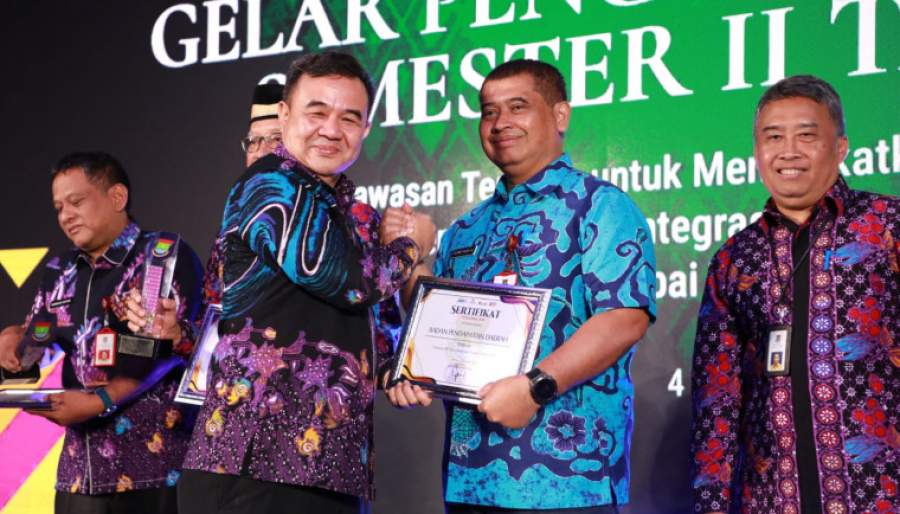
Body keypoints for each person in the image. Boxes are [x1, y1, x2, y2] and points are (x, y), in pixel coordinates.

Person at [384, 59, 657, 513]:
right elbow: (433, 326)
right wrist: (413, 372)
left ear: (560, 115)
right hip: (470, 479)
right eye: (489, 111)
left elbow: (625, 318)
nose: (500, 123)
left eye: (517, 107)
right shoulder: (466, 228)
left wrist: (535, 389)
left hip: (569, 483)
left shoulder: (599, 206)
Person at [177, 51, 435, 514]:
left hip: (330, 463)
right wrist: (411, 246)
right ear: (284, 114)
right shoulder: (269, 184)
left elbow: (359, 326)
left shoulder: (343, 209)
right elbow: (345, 282)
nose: (331, 129)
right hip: (259, 461)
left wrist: (397, 372)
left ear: (366, 130)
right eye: (317, 112)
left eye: (348, 118)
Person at [689, 75, 898, 514]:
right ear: (757, 152)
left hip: (880, 497)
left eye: (806, 136)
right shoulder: (734, 258)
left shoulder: (887, 226)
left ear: (840, 148)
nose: (788, 152)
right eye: (773, 137)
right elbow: (717, 401)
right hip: (770, 500)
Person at [0, 151, 203, 514]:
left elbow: (172, 349)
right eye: (59, 207)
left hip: (154, 469)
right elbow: (37, 342)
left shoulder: (160, 254)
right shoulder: (59, 270)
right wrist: (15, 347)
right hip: (78, 472)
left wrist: (101, 401)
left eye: (76, 201)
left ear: (117, 197)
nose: (66, 215)